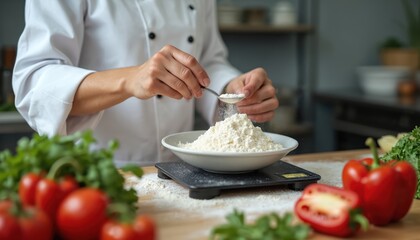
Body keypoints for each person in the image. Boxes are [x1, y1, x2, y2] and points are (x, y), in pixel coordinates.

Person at [13, 0, 279, 166]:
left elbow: (207, 60)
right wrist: (129, 79)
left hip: (180, 170)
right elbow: (34, 80)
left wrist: (231, 89)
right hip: (95, 170)